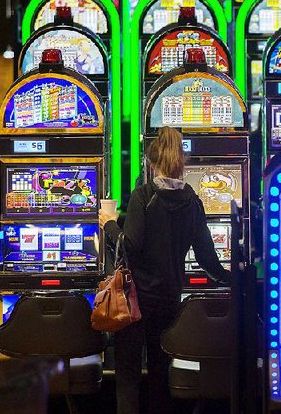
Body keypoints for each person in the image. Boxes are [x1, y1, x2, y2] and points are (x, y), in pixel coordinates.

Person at [99, 127, 231, 414]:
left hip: (134, 301)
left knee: (129, 377)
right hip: (170, 298)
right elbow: (207, 258)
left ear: (150, 162)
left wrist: (109, 222)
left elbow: (129, 246)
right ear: (181, 163)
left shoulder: (143, 196)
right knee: (161, 375)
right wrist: (234, 280)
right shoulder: (192, 201)